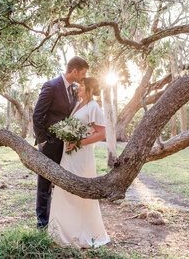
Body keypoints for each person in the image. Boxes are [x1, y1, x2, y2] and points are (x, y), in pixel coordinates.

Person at [48, 77, 110, 249]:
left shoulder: (94, 106)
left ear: (89, 88)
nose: (78, 87)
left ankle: (80, 233)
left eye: (82, 85)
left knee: (78, 191)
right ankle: (61, 232)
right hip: (68, 155)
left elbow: (101, 133)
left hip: (82, 155)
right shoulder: (77, 104)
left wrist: (78, 143)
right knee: (64, 188)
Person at [32, 56, 89, 229]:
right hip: (49, 144)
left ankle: (60, 220)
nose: (84, 77)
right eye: (83, 73)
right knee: (45, 183)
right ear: (74, 71)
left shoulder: (73, 89)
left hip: (66, 146)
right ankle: (42, 224)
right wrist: (43, 140)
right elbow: (37, 115)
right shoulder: (51, 86)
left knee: (63, 182)